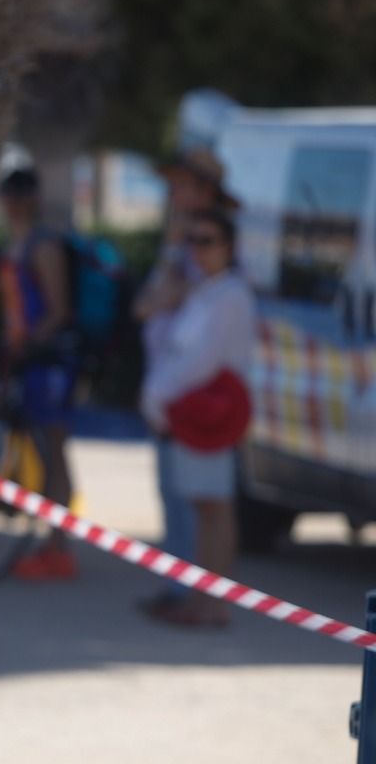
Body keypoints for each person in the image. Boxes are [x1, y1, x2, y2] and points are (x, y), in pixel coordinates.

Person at [135, 147, 238, 619]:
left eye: (180, 184)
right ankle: (183, 592)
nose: (172, 194)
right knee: (178, 498)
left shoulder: (219, 258)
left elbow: (204, 328)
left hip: (198, 401)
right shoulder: (181, 241)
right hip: (171, 394)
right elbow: (146, 305)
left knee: (206, 506)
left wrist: (164, 395)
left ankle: (203, 602)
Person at [0, 167, 78, 581]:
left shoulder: (44, 246)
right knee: (39, 453)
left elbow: (58, 309)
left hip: (48, 362)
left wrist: (28, 345)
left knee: (55, 453)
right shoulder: (15, 243)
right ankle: (49, 542)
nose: (8, 204)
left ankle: (58, 547)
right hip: (24, 360)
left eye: (15, 195)